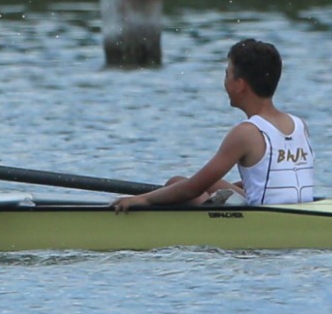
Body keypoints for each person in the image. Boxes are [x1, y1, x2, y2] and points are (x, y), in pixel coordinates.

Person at [112, 39, 316, 211]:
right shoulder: (299, 124)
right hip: (298, 211)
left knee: (177, 183)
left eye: (227, 74)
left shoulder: (246, 133)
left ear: (240, 85)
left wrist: (144, 199)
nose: (225, 82)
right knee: (212, 183)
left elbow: (192, 189)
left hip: (265, 220)